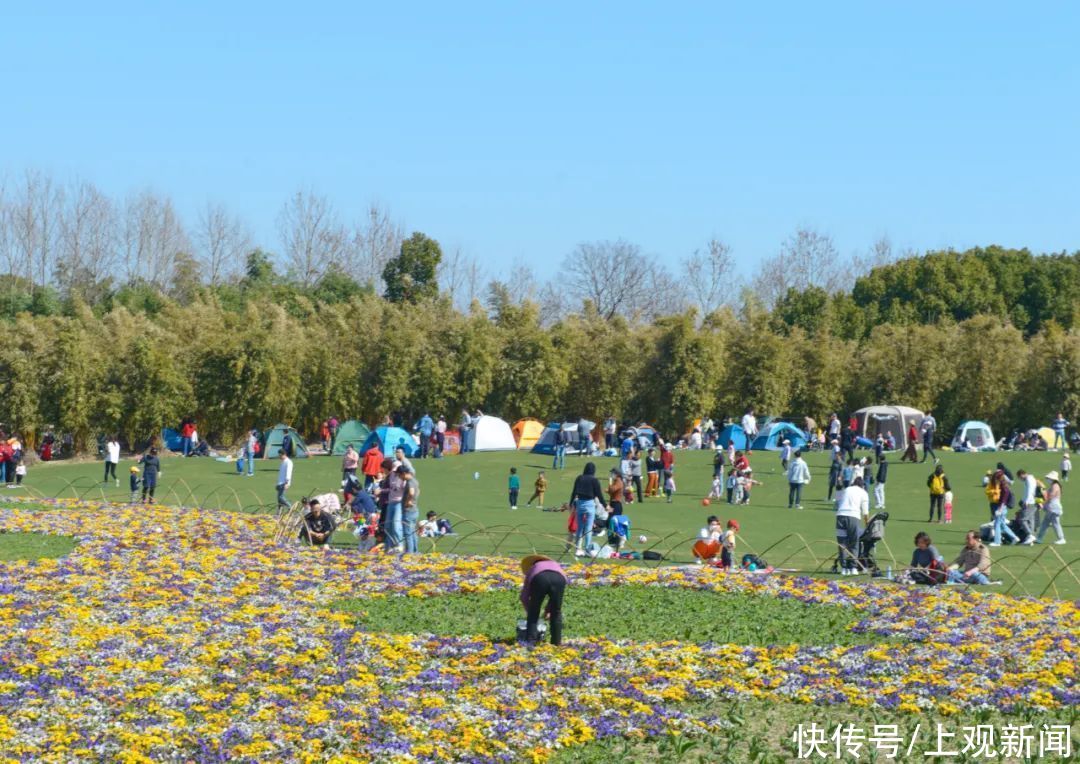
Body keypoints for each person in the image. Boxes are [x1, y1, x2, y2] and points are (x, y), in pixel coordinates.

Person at [520, 555, 567, 645]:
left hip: (540, 578)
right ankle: (556, 642)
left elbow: (524, 596)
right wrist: (548, 610)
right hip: (559, 579)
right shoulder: (555, 565)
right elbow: (553, 599)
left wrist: (529, 609)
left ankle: (531, 641)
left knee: (534, 610)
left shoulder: (533, 568)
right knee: (556, 612)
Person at [570, 463, 607, 556]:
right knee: (588, 528)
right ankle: (587, 548)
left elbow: (574, 492)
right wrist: (605, 505)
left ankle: (578, 548)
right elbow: (599, 495)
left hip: (580, 504)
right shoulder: (594, 480)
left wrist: (571, 503)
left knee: (580, 528)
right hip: (590, 504)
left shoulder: (579, 478)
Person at [834, 476, 869, 575]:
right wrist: (867, 524)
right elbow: (865, 512)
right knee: (854, 542)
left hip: (840, 516)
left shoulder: (847, 489)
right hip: (853, 517)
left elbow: (837, 500)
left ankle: (844, 568)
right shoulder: (863, 493)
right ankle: (853, 567)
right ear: (862, 485)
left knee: (842, 543)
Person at [988, 470, 1019, 546]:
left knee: (997, 524)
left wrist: (999, 510)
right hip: (1002, 508)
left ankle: (997, 542)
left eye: (996, 478)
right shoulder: (1003, 486)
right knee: (1002, 524)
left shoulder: (1004, 488)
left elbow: (1003, 501)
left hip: (1001, 508)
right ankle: (1014, 537)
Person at [1035, 471, 1066, 544]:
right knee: (1045, 524)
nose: (1048, 479)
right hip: (1051, 507)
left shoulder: (1055, 486)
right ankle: (1039, 538)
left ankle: (1061, 538)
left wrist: (1043, 500)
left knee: (1055, 523)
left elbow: (1050, 496)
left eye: (1049, 478)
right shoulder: (1053, 485)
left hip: (1054, 508)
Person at [384, 465, 408, 553]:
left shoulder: (403, 479)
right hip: (391, 502)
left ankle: (400, 544)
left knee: (396, 524)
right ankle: (389, 545)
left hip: (399, 502)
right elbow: (391, 489)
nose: (395, 473)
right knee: (388, 525)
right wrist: (381, 491)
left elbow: (406, 491)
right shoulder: (391, 476)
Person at [1016, 469, 1039, 544]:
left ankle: (1030, 535)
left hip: (1030, 502)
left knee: (1023, 520)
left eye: (1019, 477)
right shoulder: (1030, 479)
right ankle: (1031, 537)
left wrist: (1026, 501)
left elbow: (1030, 491)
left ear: (1022, 474)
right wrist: (1022, 499)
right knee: (1031, 520)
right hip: (1032, 502)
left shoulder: (1029, 480)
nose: (1020, 479)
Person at [401, 466, 420, 554]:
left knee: (408, 533)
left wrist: (408, 501)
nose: (400, 478)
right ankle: (415, 551)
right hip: (415, 510)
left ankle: (409, 552)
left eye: (400, 475)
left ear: (404, 474)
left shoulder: (410, 482)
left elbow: (411, 492)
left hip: (409, 510)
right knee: (413, 532)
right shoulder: (415, 481)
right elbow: (419, 491)